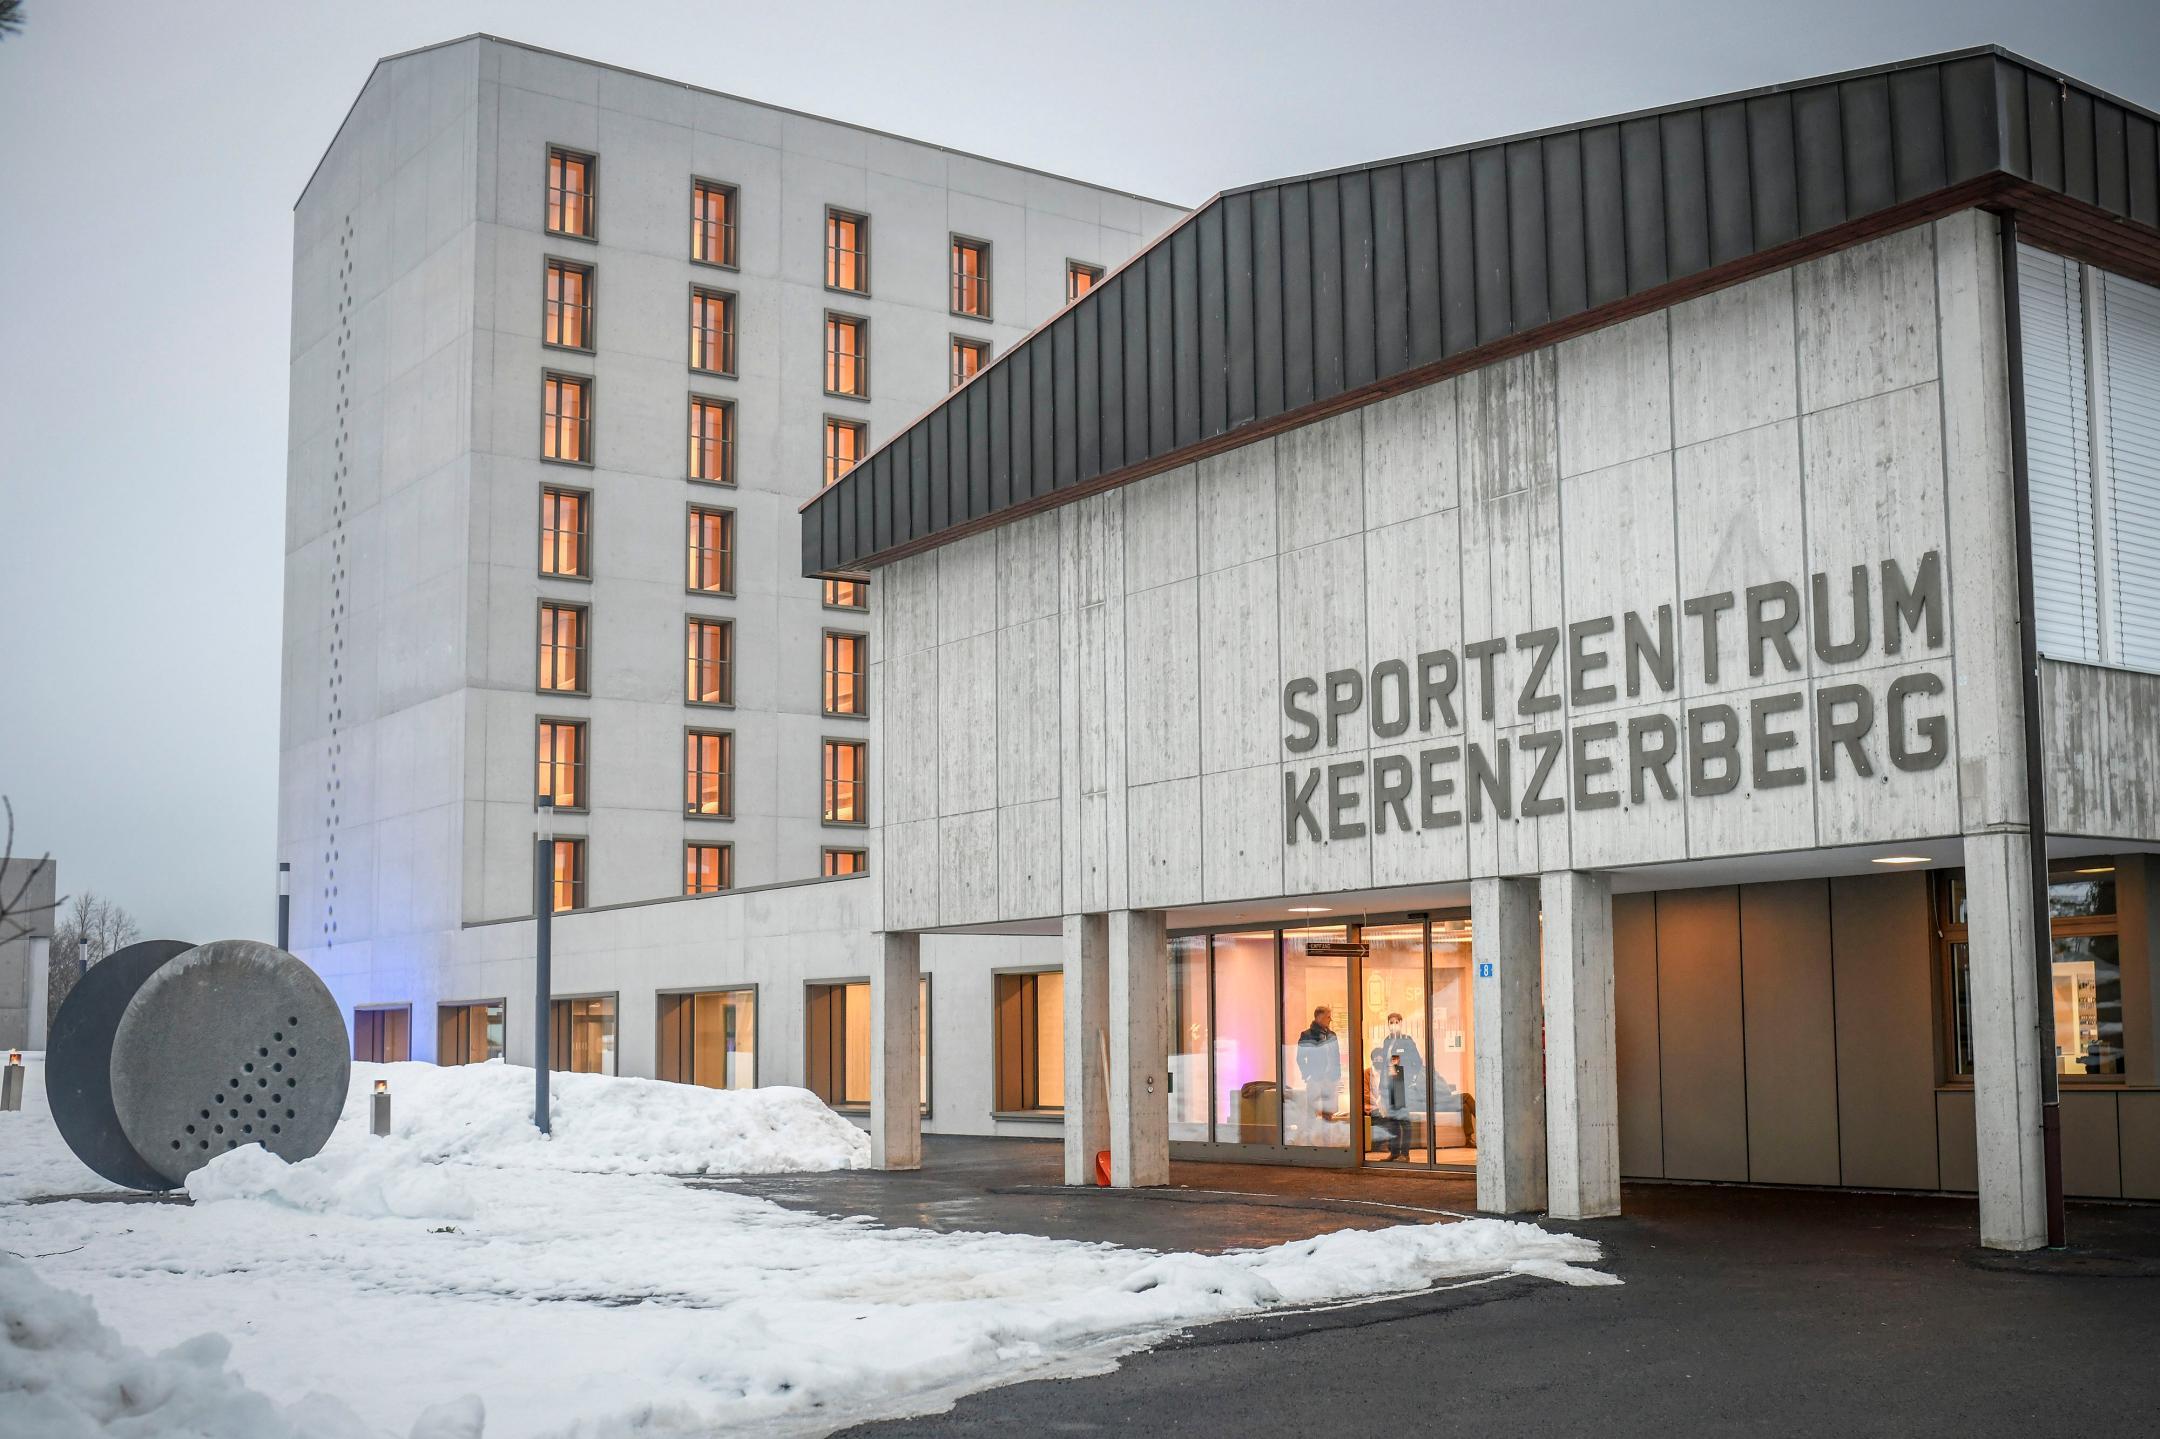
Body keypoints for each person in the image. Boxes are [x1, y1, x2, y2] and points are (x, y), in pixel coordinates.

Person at [1370, 1012, 1425, 1160]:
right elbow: (1385, 1066)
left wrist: (1409, 1077)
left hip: (1400, 1081)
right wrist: (1382, 1088)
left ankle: (1405, 1154)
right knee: (1391, 1120)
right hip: (1389, 1082)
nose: (1393, 1025)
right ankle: (1394, 1152)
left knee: (1403, 1119)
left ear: (1401, 1023)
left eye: (1396, 1022)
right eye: (1391, 1022)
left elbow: (1417, 1062)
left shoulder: (1407, 1040)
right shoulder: (1387, 1041)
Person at [1294, 1005, 1342, 1142]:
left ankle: (1327, 1143)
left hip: (1330, 1080)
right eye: (1328, 1016)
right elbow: (1300, 1057)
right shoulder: (1307, 1035)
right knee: (1312, 1111)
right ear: (1319, 1017)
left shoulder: (1332, 1035)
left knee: (1328, 1113)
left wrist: (1336, 1075)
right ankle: (1311, 1142)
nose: (1330, 1019)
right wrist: (1307, 1074)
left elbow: (1336, 1056)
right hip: (1315, 1079)